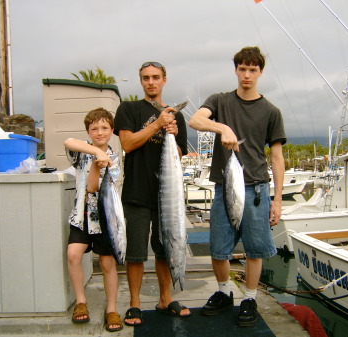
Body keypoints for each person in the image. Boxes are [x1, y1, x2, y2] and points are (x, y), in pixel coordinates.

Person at [188, 46, 286, 327]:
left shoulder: (271, 111)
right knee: (218, 248)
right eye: (242, 69)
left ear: (260, 72)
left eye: (252, 70)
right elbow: (196, 120)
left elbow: (276, 157)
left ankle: (250, 298)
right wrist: (223, 128)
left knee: (255, 249)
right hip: (224, 186)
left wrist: (277, 199)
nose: (247, 75)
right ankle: (223, 293)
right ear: (235, 70)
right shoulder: (220, 100)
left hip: (256, 190)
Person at [114, 61, 191, 326]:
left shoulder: (176, 115)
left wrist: (172, 132)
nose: (151, 82)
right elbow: (127, 143)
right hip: (136, 192)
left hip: (167, 195)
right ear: (141, 81)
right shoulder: (129, 109)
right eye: (146, 78)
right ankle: (135, 304)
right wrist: (158, 123)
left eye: (156, 77)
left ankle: (165, 299)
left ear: (164, 80)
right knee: (136, 252)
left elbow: (180, 155)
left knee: (165, 249)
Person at [64, 108, 123, 332]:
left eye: (105, 128)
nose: (100, 132)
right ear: (88, 131)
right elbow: (68, 141)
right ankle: (81, 302)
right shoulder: (82, 151)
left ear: (112, 130)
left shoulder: (115, 159)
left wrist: (99, 166)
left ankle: (111, 309)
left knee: (108, 264)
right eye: (94, 128)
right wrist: (95, 152)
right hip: (81, 217)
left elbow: (93, 188)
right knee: (73, 254)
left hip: (105, 219)